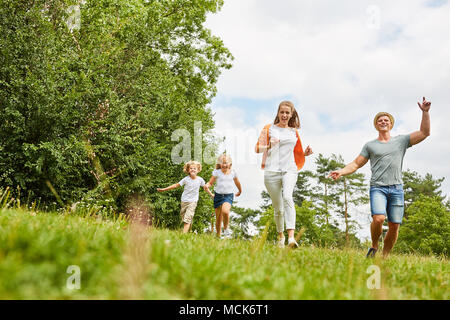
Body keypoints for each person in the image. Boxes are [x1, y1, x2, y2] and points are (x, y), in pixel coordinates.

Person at [328, 97, 431, 258]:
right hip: (378, 188)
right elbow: (356, 163)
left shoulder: (401, 141)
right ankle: (374, 246)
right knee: (378, 219)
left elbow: (425, 133)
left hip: (397, 188)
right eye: (380, 120)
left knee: (394, 225)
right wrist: (341, 171)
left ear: (391, 124)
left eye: (386, 120)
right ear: (376, 125)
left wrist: (425, 113)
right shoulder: (370, 145)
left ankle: (384, 257)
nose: (383, 122)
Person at [255, 101, 313, 248]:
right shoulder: (269, 129)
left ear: (291, 114)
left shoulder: (294, 132)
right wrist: (269, 146)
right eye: (282, 112)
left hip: (290, 169)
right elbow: (257, 149)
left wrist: (305, 153)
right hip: (271, 171)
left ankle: (291, 238)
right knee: (278, 208)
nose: (285, 115)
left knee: (287, 197)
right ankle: (280, 237)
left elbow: (297, 152)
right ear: (278, 113)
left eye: (287, 113)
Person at [157, 160, 214, 233]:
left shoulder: (200, 180)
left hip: (193, 202)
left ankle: (183, 235)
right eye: (191, 168)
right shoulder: (186, 179)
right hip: (184, 201)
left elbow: (205, 188)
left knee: (187, 219)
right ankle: (189, 232)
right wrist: (164, 189)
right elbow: (175, 185)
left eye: (194, 168)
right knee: (184, 218)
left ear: (198, 170)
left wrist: (211, 194)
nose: (193, 169)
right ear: (188, 170)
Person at [205, 154, 242, 239]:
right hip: (218, 196)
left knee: (225, 211)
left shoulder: (233, 173)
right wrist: (207, 185)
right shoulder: (216, 172)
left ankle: (226, 230)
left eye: (226, 163)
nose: (224, 164)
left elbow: (237, 182)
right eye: (222, 163)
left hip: (228, 196)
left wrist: (240, 190)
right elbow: (210, 183)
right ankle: (218, 236)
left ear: (230, 164)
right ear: (219, 164)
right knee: (218, 218)